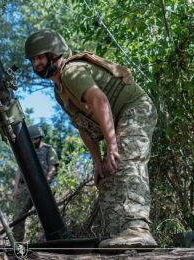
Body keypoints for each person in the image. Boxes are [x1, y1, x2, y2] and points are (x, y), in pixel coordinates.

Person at [24, 29, 158, 248]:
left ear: (55, 54)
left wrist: (113, 145)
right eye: (33, 60)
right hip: (116, 121)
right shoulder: (59, 91)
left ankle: (137, 228)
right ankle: (117, 235)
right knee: (107, 174)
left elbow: (101, 102)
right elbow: (83, 128)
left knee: (125, 161)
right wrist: (97, 161)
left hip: (135, 108)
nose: (36, 63)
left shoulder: (71, 73)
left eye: (40, 57)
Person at [12, 124, 59, 242]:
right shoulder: (26, 150)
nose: (33, 141)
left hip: (42, 187)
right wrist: (16, 188)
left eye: (35, 139)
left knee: (48, 216)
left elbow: (52, 168)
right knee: (18, 217)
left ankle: (51, 242)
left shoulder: (49, 150)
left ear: (39, 138)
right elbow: (19, 170)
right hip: (25, 187)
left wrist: (46, 181)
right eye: (31, 139)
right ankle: (17, 244)